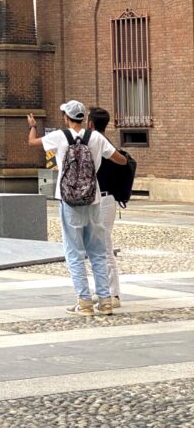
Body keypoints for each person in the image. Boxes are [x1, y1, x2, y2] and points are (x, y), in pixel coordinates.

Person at [27, 100, 128, 316]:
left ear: (66, 117)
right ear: (84, 118)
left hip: (69, 200)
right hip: (93, 199)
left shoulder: (60, 136)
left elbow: (32, 142)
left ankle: (84, 302)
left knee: (74, 252)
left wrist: (32, 125)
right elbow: (120, 161)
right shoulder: (96, 137)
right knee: (98, 252)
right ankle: (105, 301)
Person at [88, 106, 123, 308]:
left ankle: (112, 293)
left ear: (90, 124)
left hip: (104, 198)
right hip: (104, 198)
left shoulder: (100, 144)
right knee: (99, 246)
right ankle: (105, 291)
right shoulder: (103, 142)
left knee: (104, 246)